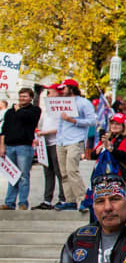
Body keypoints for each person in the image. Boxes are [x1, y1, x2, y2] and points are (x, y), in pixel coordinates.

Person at [53, 78, 94, 212]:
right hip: (61, 140)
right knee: (63, 173)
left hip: (75, 140)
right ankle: (69, 200)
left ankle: (82, 199)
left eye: (63, 88)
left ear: (71, 88)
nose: (62, 91)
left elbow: (92, 120)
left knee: (72, 170)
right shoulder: (62, 102)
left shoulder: (83, 103)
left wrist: (72, 120)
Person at [1, 86, 40, 210]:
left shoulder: (34, 110)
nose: (22, 99)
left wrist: (19, 110)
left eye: (25, 96)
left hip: (24, 146)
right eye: (20, 96)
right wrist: (2, 146)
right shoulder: (10, 112)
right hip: (10, 146)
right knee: (12, 175)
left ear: (30, 98)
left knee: (23, 176)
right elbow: (4, 130)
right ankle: (9, 202)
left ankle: (23, 202)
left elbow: (27, 118)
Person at [34, 83, 67, 210]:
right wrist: (39, 135)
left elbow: (62, 128)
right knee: (48, 172)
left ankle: (63, 198)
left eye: (50, 92)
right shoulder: (47, 109)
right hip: (45, 143)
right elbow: (42, 124)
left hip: (56, 143)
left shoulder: (62, 108)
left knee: (59, 171)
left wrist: (45, 133)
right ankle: (47, 199)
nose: (48, 94)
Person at [92, 114, 126, 187]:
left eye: (117, 124)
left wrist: (110, 148)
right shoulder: (108, 137)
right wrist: (100, 148)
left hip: (120, 176)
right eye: (112, 123)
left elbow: (123, 155)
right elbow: (93, 155)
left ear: (124, 126)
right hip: (103, 175)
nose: (114, 126)